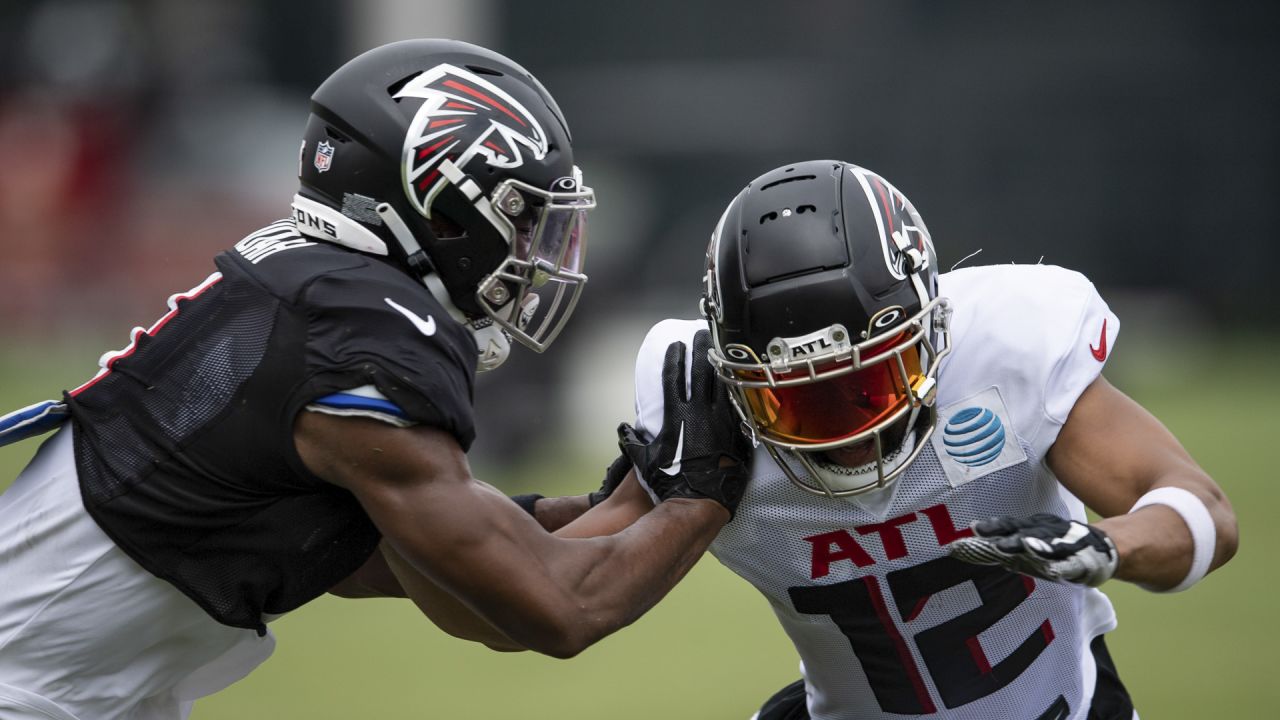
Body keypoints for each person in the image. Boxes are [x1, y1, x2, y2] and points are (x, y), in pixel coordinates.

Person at [0, 39, 750, 720]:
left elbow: (439, 575)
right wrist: (705, 494)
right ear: (441, 209)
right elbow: (552, 607)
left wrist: (628, 500)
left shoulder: (317, 292)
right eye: (522, 221)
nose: (537, 254)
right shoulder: (365, 332)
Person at [608, 160, 1239, 719]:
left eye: (870, 382)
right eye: (797, 401)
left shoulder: (1004, 353)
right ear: (736, 380)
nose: (848, 433)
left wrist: (1106, 545)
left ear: (932, 329)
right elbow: (561, 588)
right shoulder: (710, 430)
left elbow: (1202, 512)